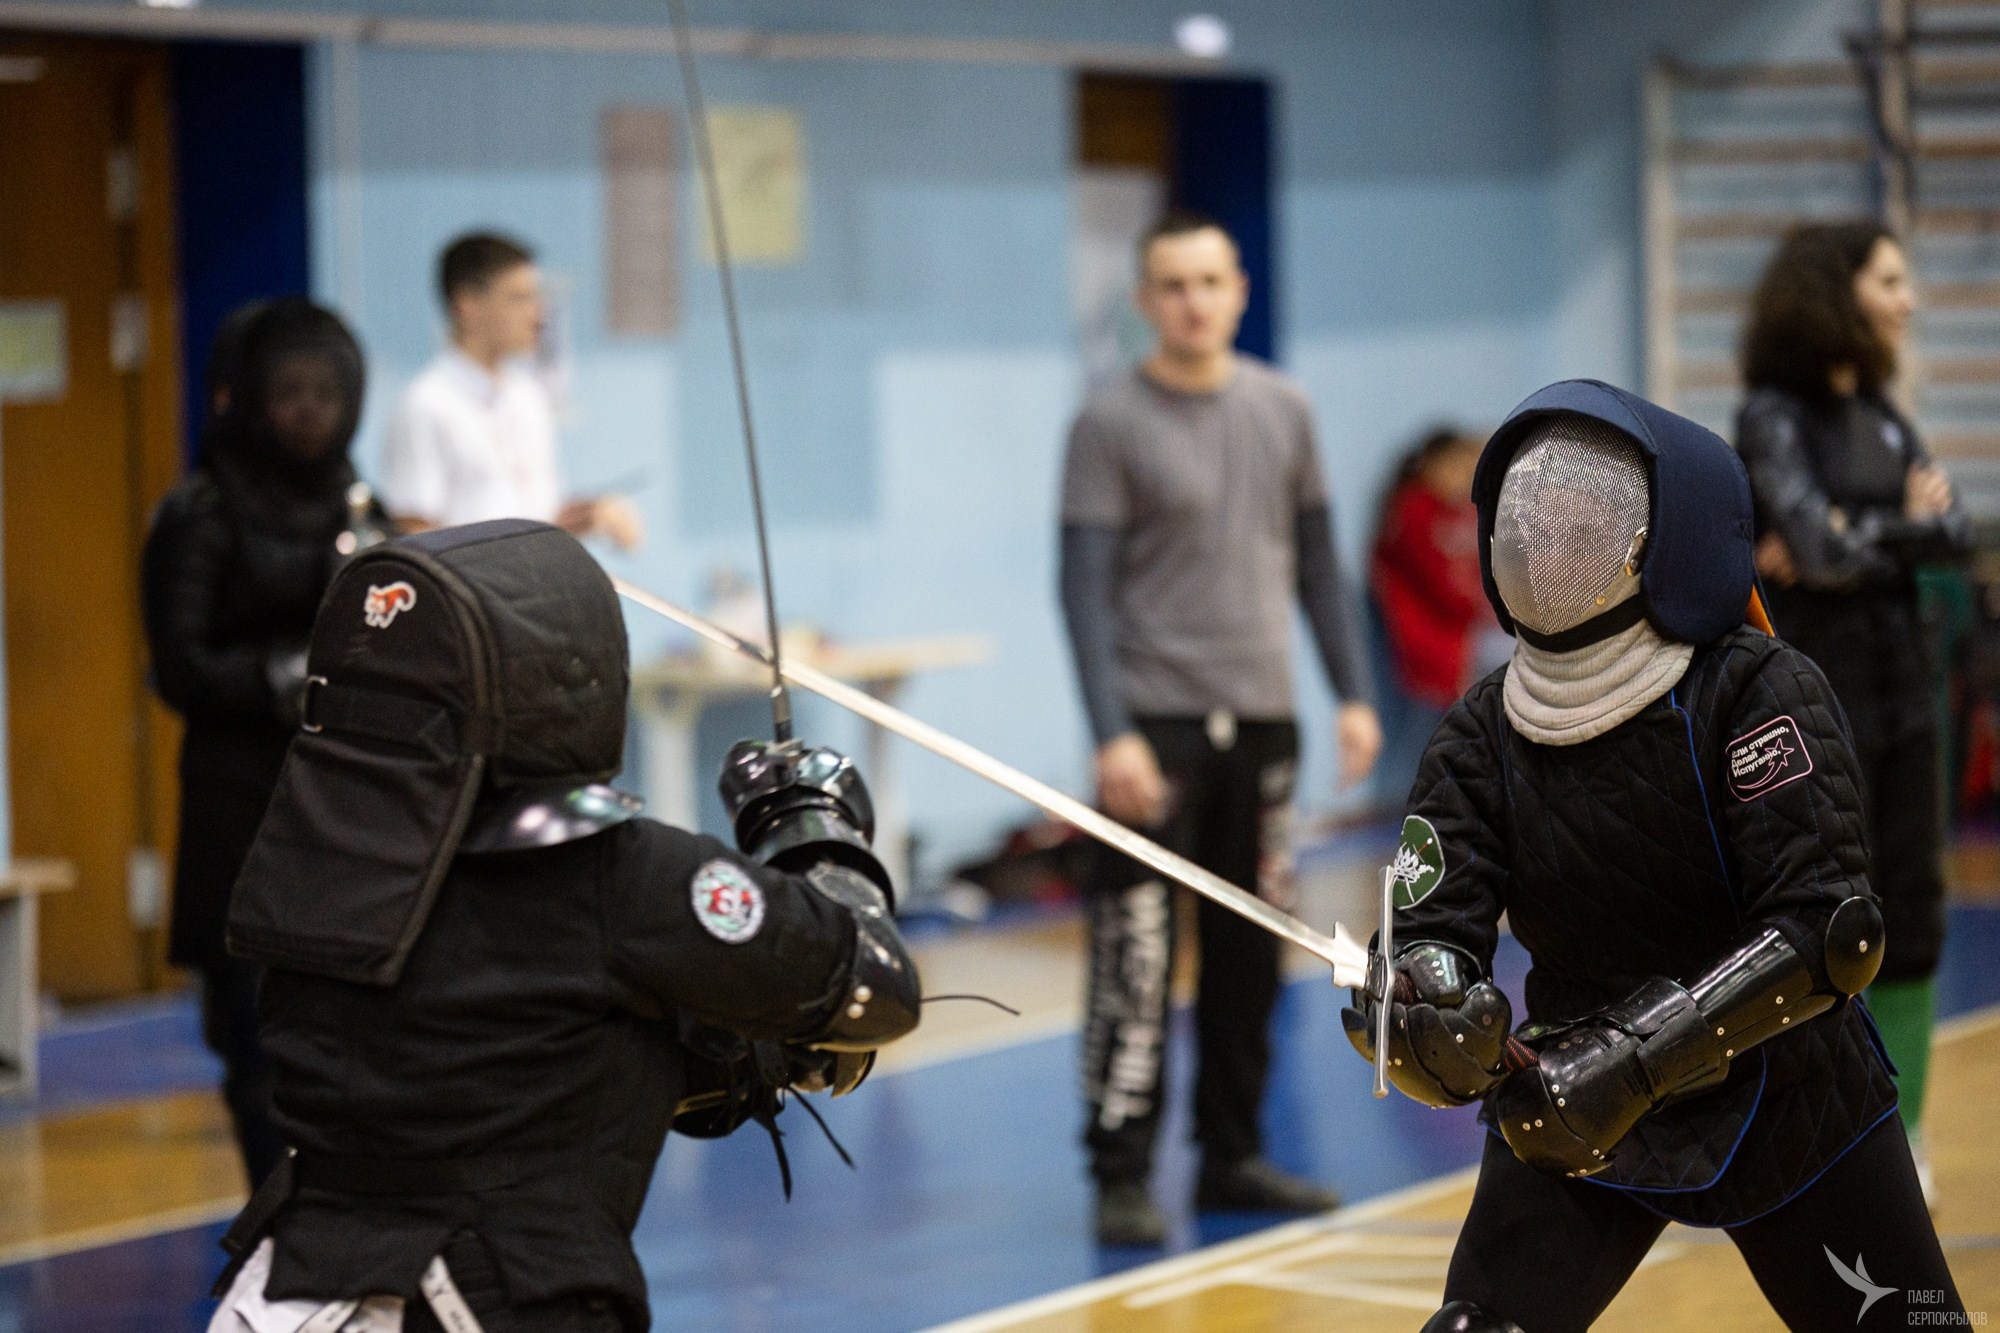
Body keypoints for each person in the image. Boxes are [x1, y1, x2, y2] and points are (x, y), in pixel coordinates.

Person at [1344, 380, 1962, 1332]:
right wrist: (1430, 1012)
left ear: (1661, 538)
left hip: (1787, 1096)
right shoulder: (1480, 731)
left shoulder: (1756, 690)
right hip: (1567, 1108)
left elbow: (1828, 931)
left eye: (1582, 514)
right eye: (1532, 513)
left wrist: (1631, 1060)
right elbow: (1432, 923)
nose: (1546, 536)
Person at [205, 519, 920, 1332]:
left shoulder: (324, 856)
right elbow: (877, 984)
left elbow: (510, 1051)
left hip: (288, 1295)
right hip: (494, 1300)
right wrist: (810, 825)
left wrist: (727, 1046)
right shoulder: (619, 879)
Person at [1059, 210, 1382, 1246]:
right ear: (1145, 301)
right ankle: (1119, 1170)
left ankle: (1231, 1156)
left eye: (1209, 280)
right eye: (1170, 284)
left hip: (1264, 727)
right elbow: (1081, 591)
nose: (1193, 301)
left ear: (1237, 288)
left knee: (1252, 954)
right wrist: (1111, 732)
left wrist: (1352, 692)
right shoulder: (1104, 422)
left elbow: (1315, 561)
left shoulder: (1284, 408)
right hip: (1152, 729)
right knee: (1135, 958)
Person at [1734, 222, 1969, 1194]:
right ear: (1836, 290)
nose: (1906, 299)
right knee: (1811, 925)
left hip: (1908, 703)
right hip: (1810, 711)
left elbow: (1949, 532)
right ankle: (1801, 1133)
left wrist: (1858, 531)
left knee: (1909, 919)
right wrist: (1893, 530)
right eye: (1888, 279)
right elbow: (1815, 557)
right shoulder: (1768, 418)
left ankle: (1899, 1135)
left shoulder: (1880, 412)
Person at [142, 298, 378, 1188]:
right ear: (242, 399)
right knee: (257, 1051)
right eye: (288, 392)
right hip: (236, 810)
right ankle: (277, 1261)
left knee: (353, 1046)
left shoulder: (361, 505)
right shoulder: (199, 513)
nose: (310, 410)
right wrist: (282, 678)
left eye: (326, 391)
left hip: (343, 808)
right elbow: (179, 666)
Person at [380, 231, 642, 548]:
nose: (538, 314)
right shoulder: (426, 405)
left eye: (537, 297)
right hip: (470, 595)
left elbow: (541, 518)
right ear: (467, 304)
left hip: (537, 589)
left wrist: (596, 514)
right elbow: (415, 531)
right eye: (520, 299)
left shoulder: (526, 395)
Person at [1368, 427, 1493, 804]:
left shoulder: (1457, 511)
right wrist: (1484, 602)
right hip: (1427, 642)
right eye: (1461, 467)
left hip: (1458, 638)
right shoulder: (1412, 510)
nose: (1466, 478)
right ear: (1433, 464)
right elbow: (1444, 587)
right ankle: (1419, 807)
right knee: (1426, 740)